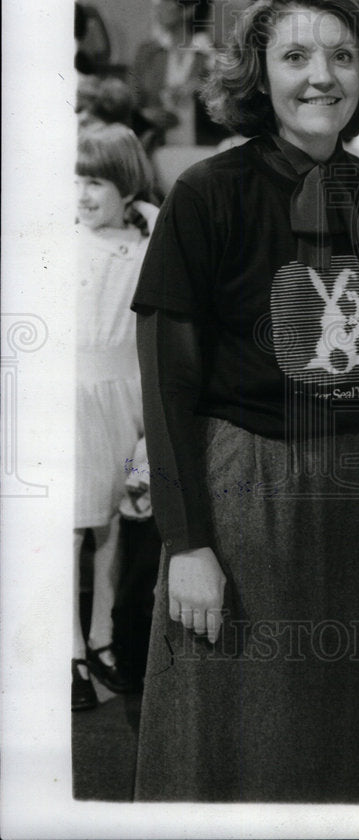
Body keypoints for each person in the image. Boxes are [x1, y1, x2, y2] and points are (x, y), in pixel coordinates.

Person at [132, 0, 359, 803]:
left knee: (348, 744)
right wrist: (186, 545)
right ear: (259, 72)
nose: (320, 76)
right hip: (242, 495)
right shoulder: (207, 192)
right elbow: (166, 377)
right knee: (228, 743)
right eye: (295, 56)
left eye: (341, 56)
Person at [73, 124, 158, 711]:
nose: (81, 193)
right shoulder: (65, 238)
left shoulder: (148, 236)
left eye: (96, 181)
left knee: (115, 517)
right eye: (76, 180)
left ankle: (103, 635)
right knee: (73, 520)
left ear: (126, 187)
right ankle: (69, 649)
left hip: (128, 393)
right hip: (73, 391)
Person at [131, 0, 226, 149]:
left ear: (189, 9)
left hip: (204, 155)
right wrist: (145, 115)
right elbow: (130, 103)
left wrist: (203, 87)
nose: (158, 6)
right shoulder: (147, 53)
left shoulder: (218, 54)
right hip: (154, 150)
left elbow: (233, 110)